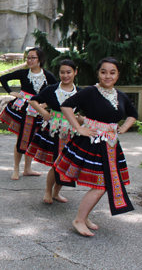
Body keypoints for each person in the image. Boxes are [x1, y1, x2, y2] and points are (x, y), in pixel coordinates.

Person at [54, 57, 137, 237]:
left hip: (111, 145)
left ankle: (84, 216)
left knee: (100, 183)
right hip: (92, 144)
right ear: (98, 73)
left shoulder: (120, 95)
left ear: (118, 75)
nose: (108, 76)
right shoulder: (90, 92)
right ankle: (79, 219)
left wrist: (124, 127)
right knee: (101, 184)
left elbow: (133, 114)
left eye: (112, 72)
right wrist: (78, 128)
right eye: (103, 72)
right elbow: (66, 106)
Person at [26, 59, 82, 203]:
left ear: (75, 72)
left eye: (69, 72)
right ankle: (47, 192)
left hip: (73, 132)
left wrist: (81, 119)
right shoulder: (52, 89)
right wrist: (43, 113)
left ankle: (56, 193)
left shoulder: (81, 93)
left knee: (67, 164)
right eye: (62, 72)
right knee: (57, 163)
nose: (65, 75)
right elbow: (33, 100)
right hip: (55, 131)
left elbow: (89, 110)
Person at [0, 47, 58, 180]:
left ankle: (27, 169)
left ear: (40, 60)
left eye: (33, 58)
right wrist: (11, 92)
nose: (29, 60)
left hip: (37, 111)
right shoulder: (23, 73)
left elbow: (57, 90)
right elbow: (3, 78)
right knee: (21, 138)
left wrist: (46, 103)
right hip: (23, 109)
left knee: (32, 139)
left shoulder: (48, 76)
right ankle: (16, 168)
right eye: (28, 58)